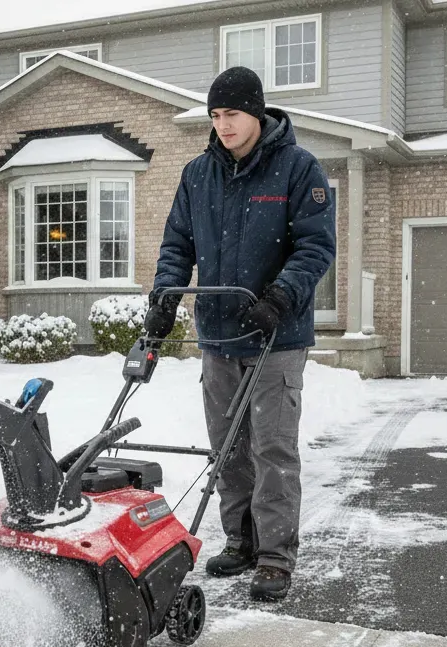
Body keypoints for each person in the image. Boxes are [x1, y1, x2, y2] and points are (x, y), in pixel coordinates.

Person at [144, 66, 336, 602]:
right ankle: (241, 541)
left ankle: (275, 557)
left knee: (273, 449)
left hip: (277, 336)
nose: (222, 125)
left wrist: (280, 296)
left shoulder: (299, 169)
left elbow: (316, 247)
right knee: (228, 448)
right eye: (215, 116)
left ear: (255, 113)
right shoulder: (197, 174)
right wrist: (164, 299)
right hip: (219, 336)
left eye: (230, 114)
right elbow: (177, 245)